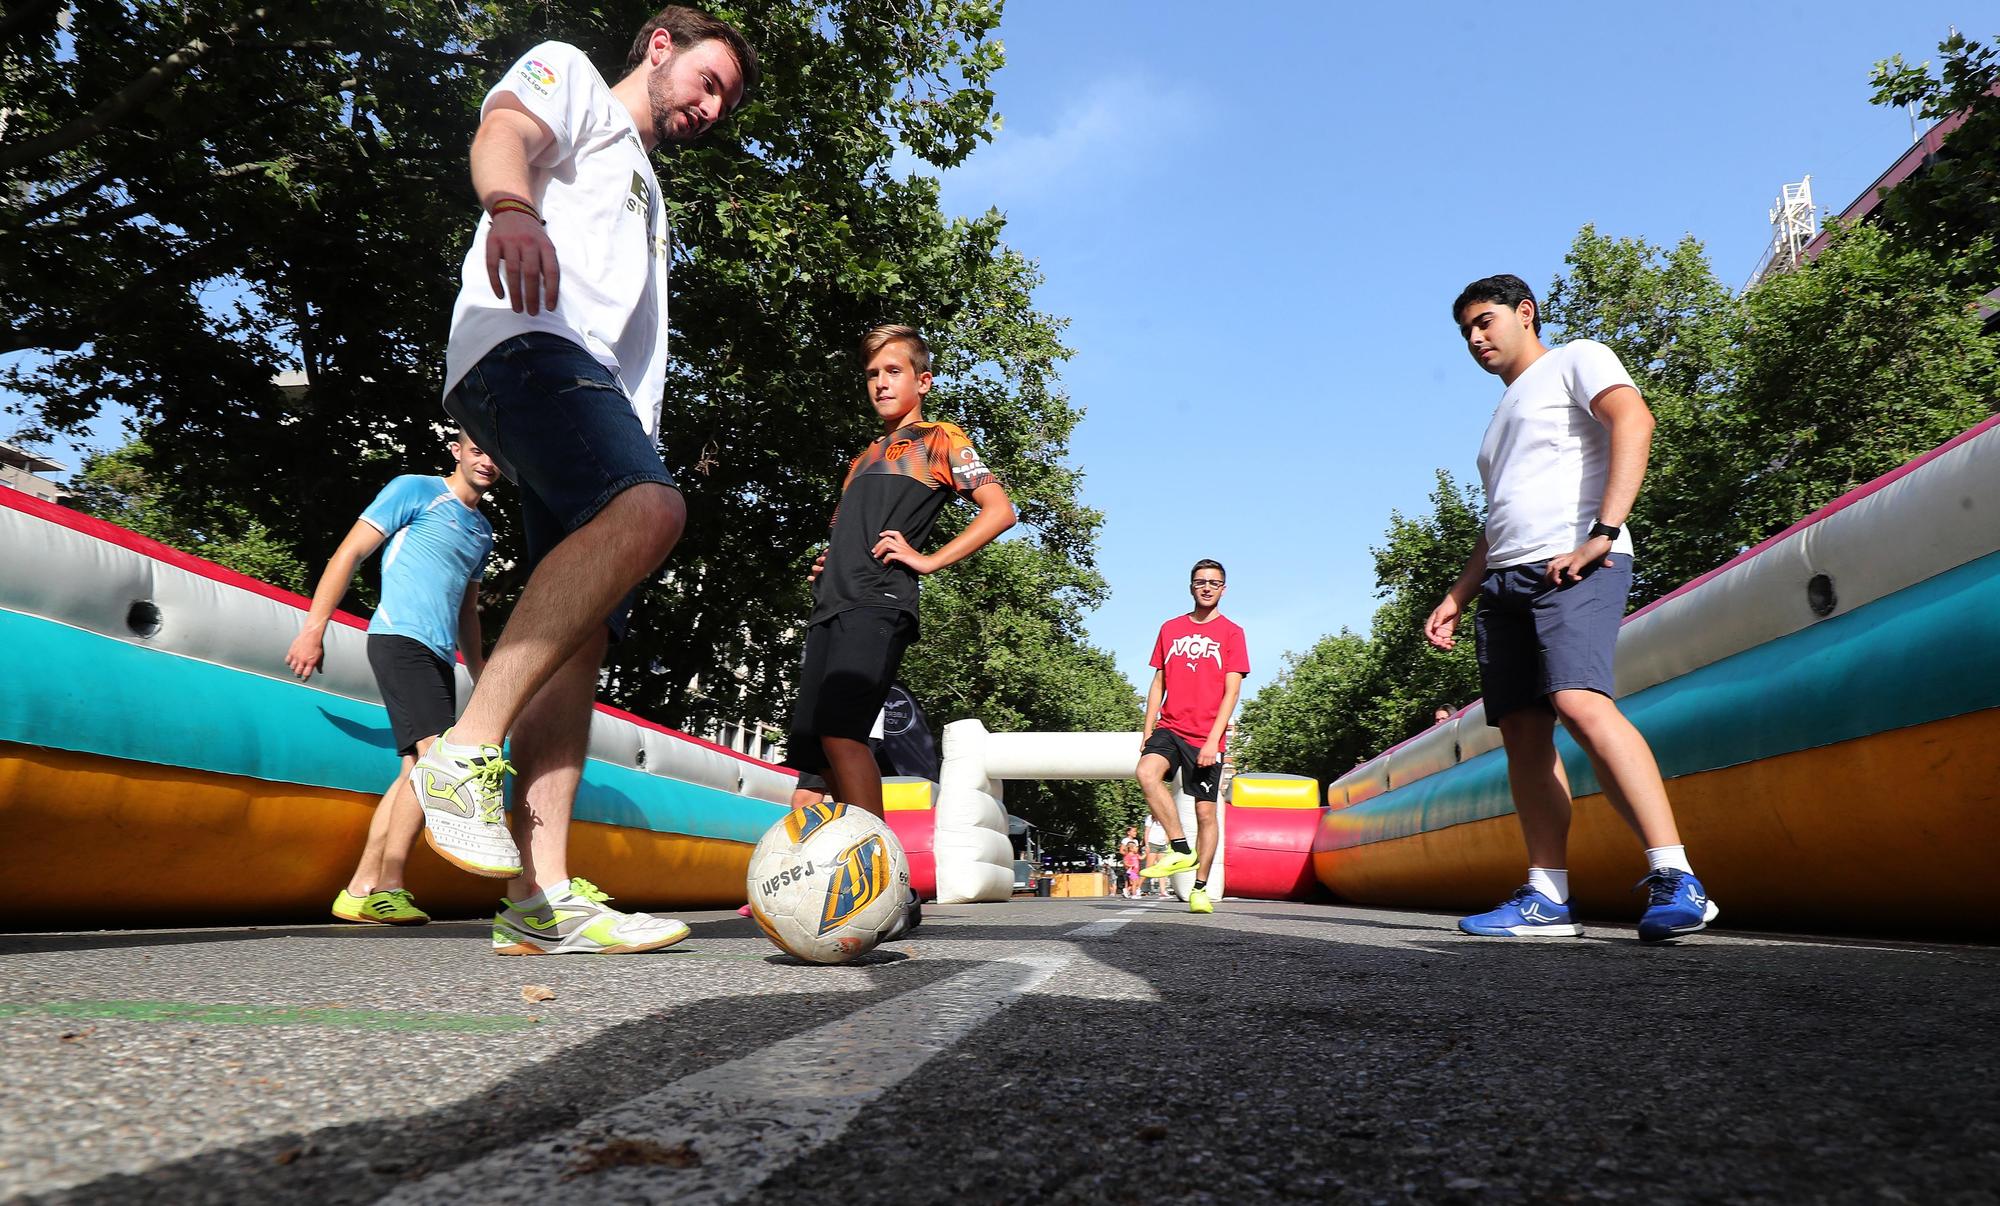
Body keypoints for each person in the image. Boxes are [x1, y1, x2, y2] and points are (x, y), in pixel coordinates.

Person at [411, 7, 759, 956]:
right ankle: (465, 750)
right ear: (660, 47)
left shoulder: (646, 187)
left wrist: (637, 441)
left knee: (580, 639)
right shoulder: (572, 80)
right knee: (651, 509)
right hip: (526, 342)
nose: (712, 107)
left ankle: (540, 894)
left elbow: (632, 340)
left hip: (589, 387)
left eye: (724, 99)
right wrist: (512, 210)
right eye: (708, 81)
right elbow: (502, 133)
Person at [1424, 273, 1718, 942]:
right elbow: (1499, 518)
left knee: (1580, 702)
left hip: (1574, 562)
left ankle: (1679, 877)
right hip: (1504, 581)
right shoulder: (1497, 422)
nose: (1475, 338)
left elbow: (1633, 420)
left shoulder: (1577, 358)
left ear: (1525, 314)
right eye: (1466, 330)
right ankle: (1547, 896)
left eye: (1485, 321)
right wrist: (1458, 593)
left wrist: (1604, 533)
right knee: (1523, 735)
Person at [787, 324, 1016, 818]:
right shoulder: (861, 458)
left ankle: (880, 873)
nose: (881, 383)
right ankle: (851, 868)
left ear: (924, 381)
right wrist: (829, 561)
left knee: (842, 734)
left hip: (878, 602)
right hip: (830, 605)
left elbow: (1000, 511)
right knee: (811, 747)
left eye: (894, 371)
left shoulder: (940, 439)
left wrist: (928, 559)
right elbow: (850, 528)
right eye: (872, 374)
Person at [286, 436, 498, 925]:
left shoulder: (483, 531)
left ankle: (359, 890)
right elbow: (349, 553)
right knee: (434, 762)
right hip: (399, 638)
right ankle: (390, 885)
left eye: (498, 454)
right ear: (455, 449)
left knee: (413, 773)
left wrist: (480, 671)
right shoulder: (416, 490)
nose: (487, 460)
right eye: (478, 448)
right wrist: (313, 630)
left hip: (439, 655)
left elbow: (468, 610)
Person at [1136, 560, 1250, 915]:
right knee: (1146, 773)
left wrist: (1214, 740)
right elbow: (1159, 682)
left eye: (1214, 583)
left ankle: (1200, 888)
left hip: (1206, 734)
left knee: (1205, 814)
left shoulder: (1233, 632)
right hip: (1169, 726)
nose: (1207, 587)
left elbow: (1232, 692)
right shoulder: (1170, 628)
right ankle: (1180, 847)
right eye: (1200, 582)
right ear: (1190, 586)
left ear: (1223, 589)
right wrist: (1147, 727)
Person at [1142, 815, 1168, 895]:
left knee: (1162, 868)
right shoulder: (1150, 818)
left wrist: (1166, 840)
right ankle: (1137, 888)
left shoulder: (1164, 816)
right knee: (1149, 867)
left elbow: (1167, 830)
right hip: (1152, 843)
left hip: (1162, 844)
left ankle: (1163, 891)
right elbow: (1146, 832)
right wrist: (1146, 845)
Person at [1118, 826, 1142, 899]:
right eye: (1134, 831)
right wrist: (1129, 856)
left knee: (1134, 878)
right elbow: (1121, 850)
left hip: (1135, 861)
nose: (1136, 833)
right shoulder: (1125, 840)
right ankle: (1129, 891)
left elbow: (1136, 851)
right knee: (1130, 878)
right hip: (1129, 862)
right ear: (1128, 832)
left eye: (1136, 831)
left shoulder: (1136, 841)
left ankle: (1130, 890)